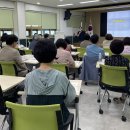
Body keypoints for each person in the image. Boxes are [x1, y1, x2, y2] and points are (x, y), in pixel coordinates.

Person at [25, 39, 76, 125]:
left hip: (35, 122)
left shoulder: (28, 77)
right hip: (57, 123)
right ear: (54, 55)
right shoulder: (61, 77)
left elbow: (27, 96)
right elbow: (71, 97)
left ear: (36, 56)